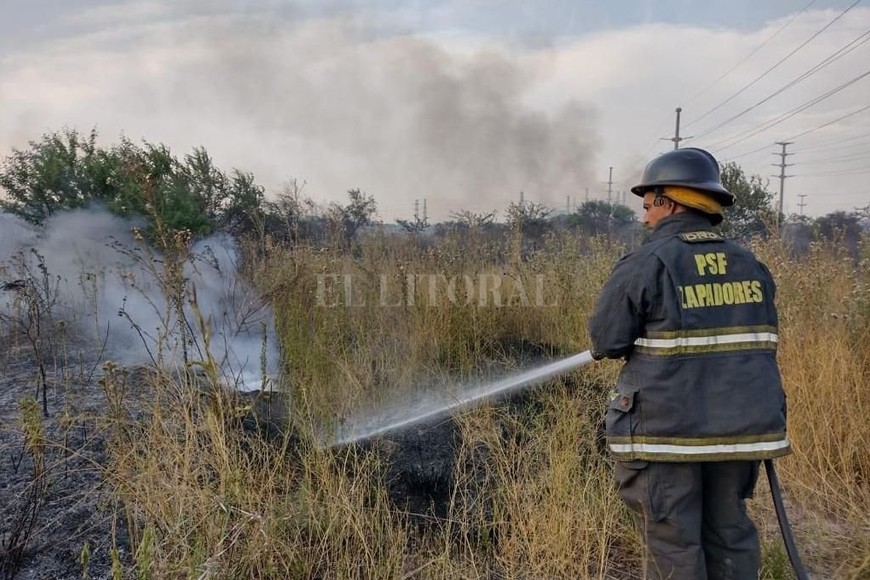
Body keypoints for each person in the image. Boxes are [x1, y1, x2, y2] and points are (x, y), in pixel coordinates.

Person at [588, 147, 791, 580]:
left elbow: (606, 340)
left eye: (647, 206)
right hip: (738, 433)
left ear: (670, 202)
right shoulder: (750, 265)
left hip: (665, 435)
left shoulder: (648, 261)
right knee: (730, 535)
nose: (644, 218)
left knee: (674, 546)